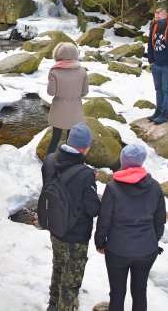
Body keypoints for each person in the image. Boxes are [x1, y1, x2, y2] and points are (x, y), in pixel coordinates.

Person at [95, 144, 166, 311]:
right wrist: (153, 240)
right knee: (140, 291)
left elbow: (104, 219)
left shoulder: (113, 187)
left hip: (117, 250)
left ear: (123, 162)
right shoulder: (155, 186)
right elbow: (160, 219)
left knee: (117, 293)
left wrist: (100, 242)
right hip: (146, 250)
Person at [40, 123, 100, 311]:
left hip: (55, 226)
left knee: (58, 267)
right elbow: (92, 209)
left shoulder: (49, 160)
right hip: (76, 236)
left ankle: (52, 305)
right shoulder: (85, 174)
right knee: (71, 283)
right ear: (85, 147)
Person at [46, 43, 89, 155]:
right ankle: (69, 164)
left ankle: (48, 161)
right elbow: (85, 92)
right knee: (72, 142)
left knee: (55, 139)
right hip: (75, 111)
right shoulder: (82, 71)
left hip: (59, 111)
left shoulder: (54, 72)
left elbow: (51, 92)